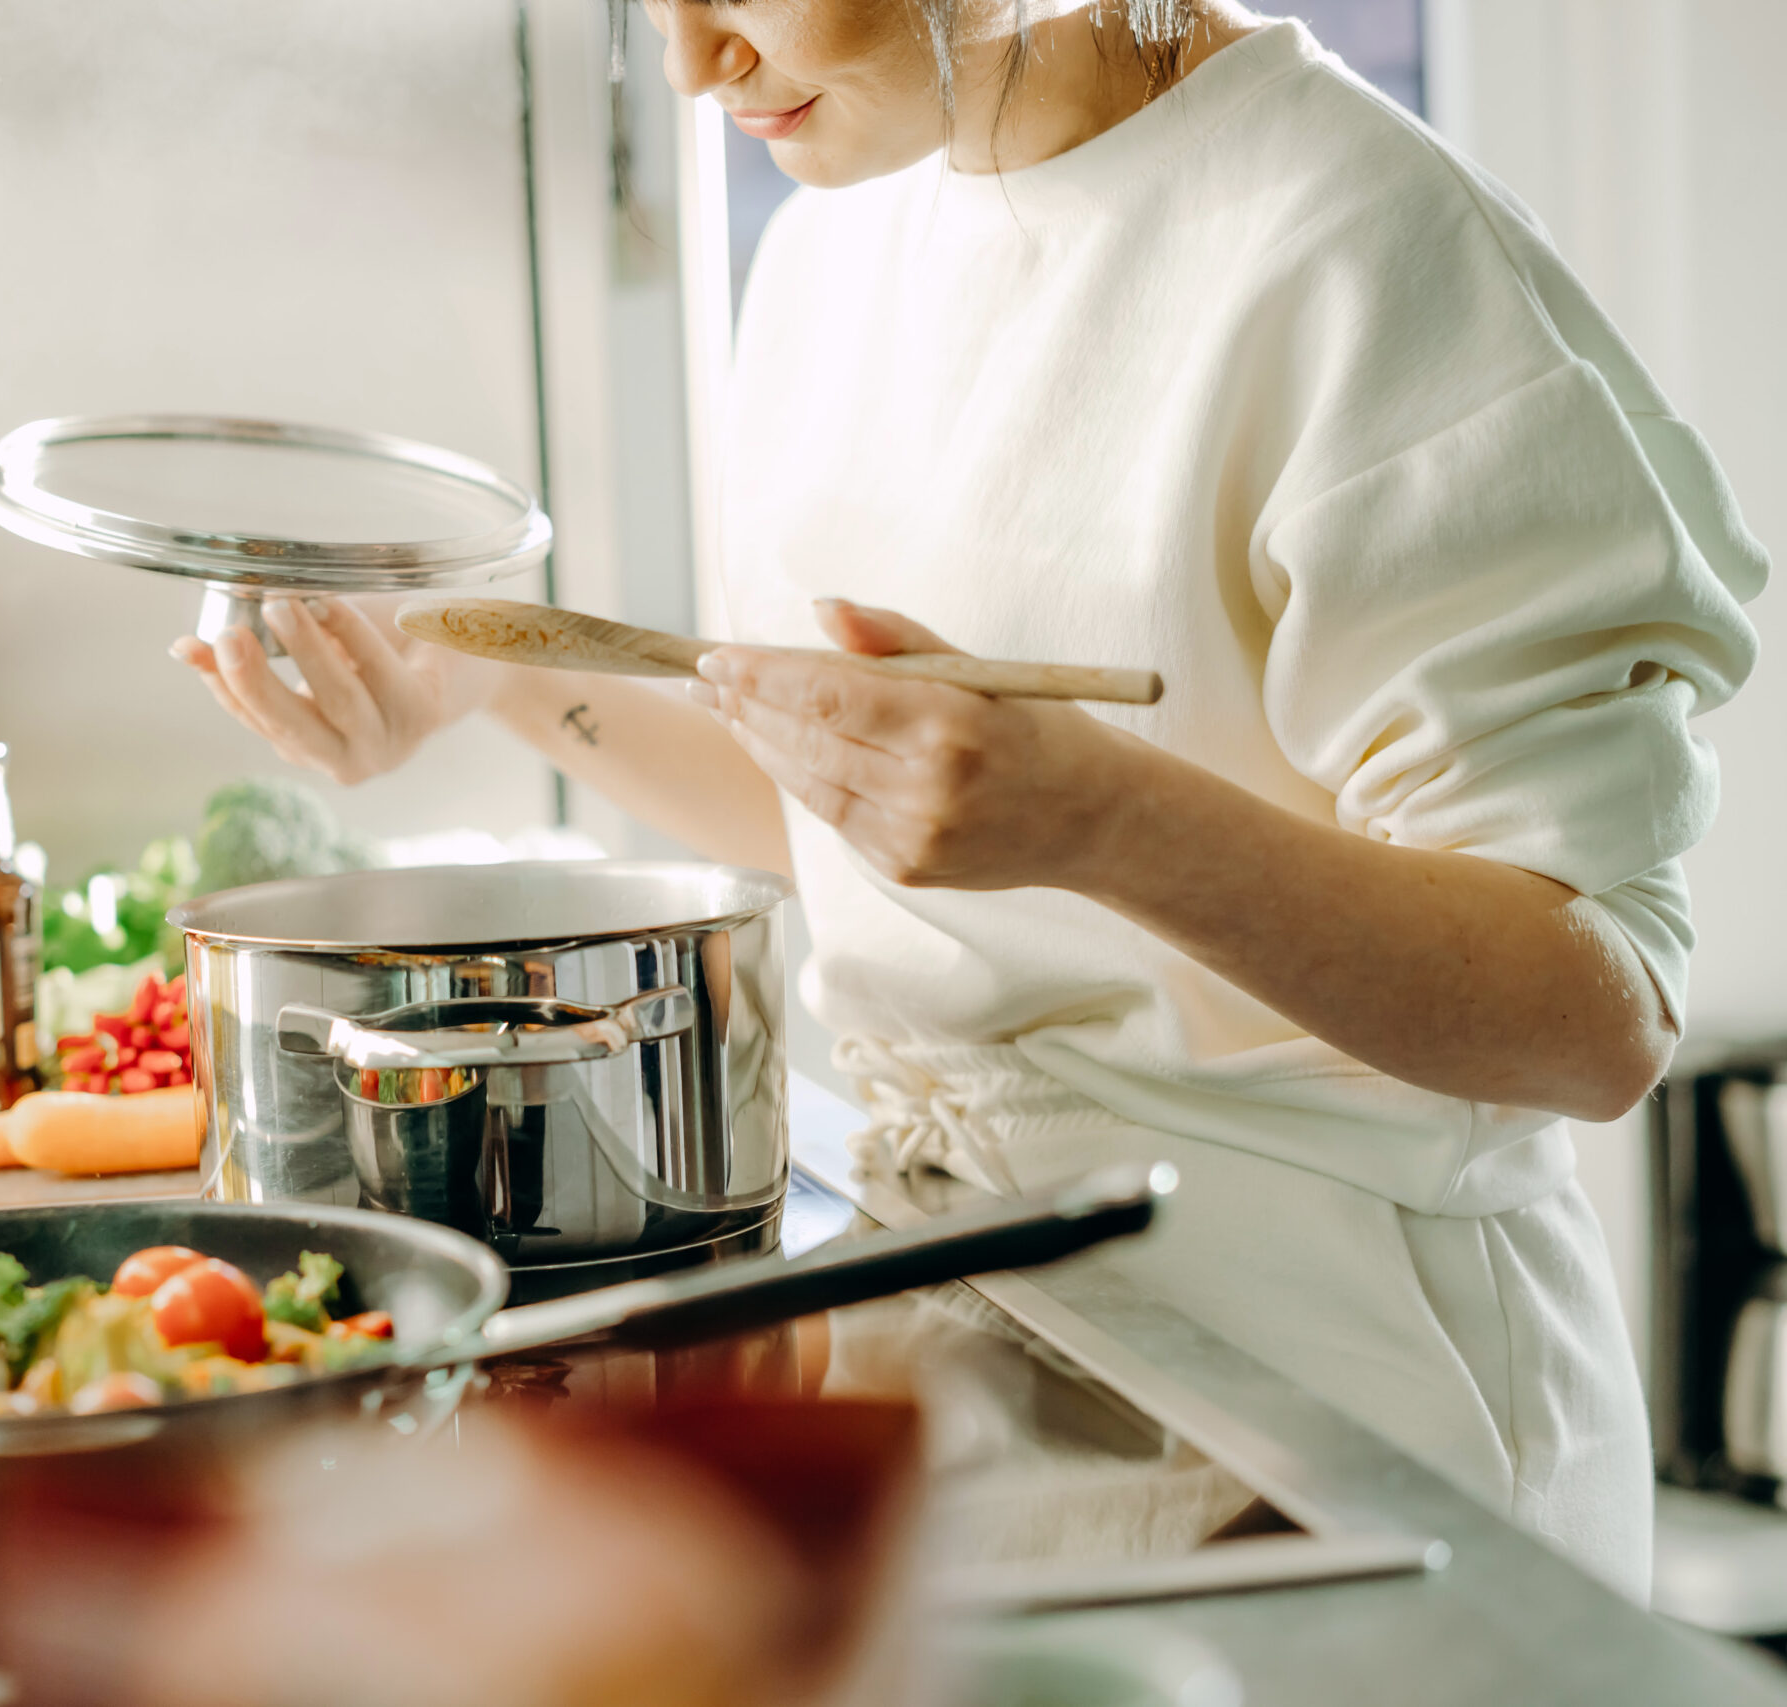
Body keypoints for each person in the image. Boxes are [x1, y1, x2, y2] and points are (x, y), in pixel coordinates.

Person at [172, 0, 1767, 1595]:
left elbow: (1596, 1015)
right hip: (985, 1314)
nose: (689, 62)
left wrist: (1104, 822)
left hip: (1346, 1423)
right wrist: (496, 681)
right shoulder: (835, 239)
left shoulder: (1364, 252)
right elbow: (877, 827)